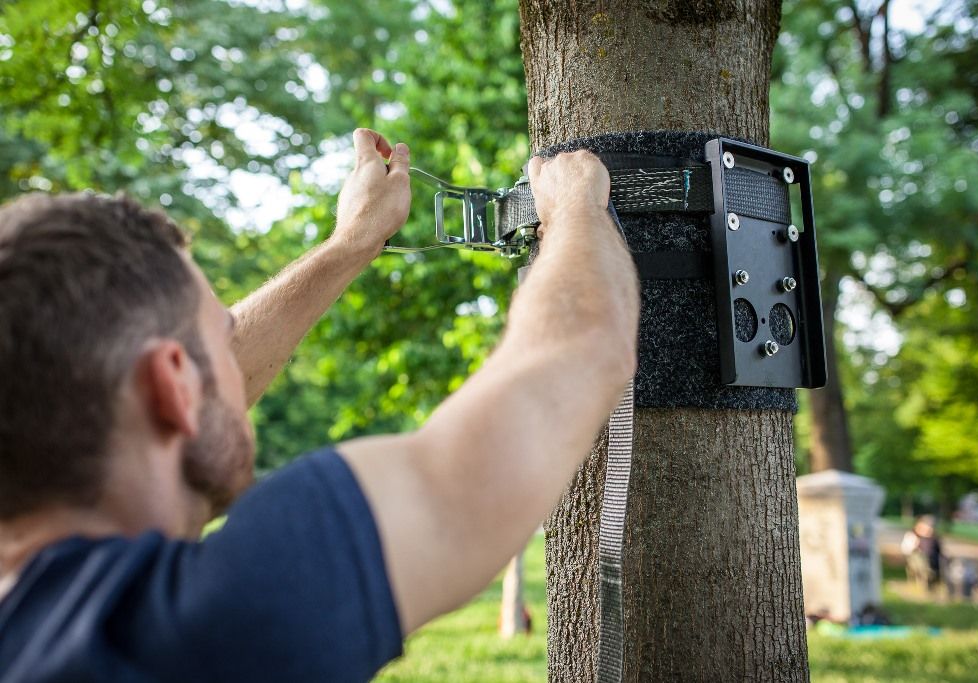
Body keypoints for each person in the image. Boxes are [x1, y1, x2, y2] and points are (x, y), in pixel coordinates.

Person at [0, 129, 640, 682]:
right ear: (175, 384)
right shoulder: (198, 629)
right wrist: (576, 205)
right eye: (225, 333)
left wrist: (352, 242)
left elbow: (190, 397)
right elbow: (582, 351)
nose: (239, 359)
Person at [900, 515, 944, 591]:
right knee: (924, 561)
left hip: (933, 559)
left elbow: (939, 550)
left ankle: (934, 579)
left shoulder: (933, 538)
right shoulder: (912, 536)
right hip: (919, 559)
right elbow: (907, 550)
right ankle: (929, 580)